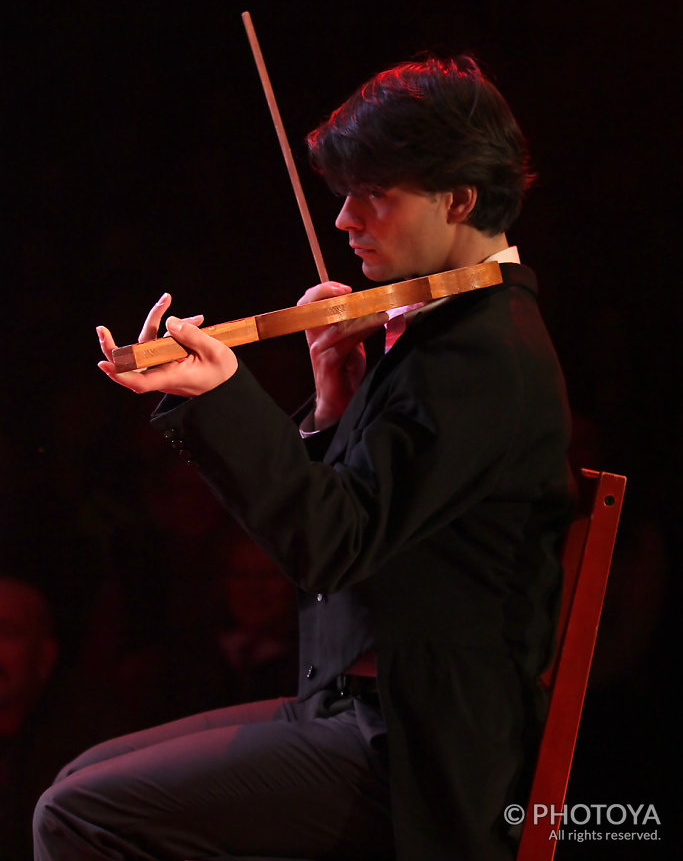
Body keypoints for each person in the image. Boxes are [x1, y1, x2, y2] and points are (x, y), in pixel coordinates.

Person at [34, 56, 574, 860]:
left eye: (374, 195)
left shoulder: (484, 349)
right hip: (358, 708)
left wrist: (223, 395)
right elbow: (354, 517)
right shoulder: (444, 332)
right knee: (77, 780)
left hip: (420, 750)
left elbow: (330, 545)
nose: (344, 220)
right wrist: (330, 399)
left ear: (459, 199)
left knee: (79, 814)